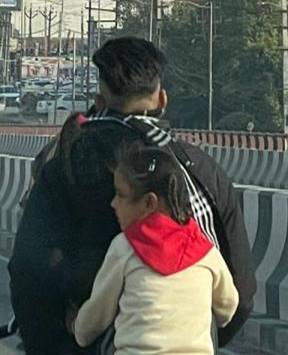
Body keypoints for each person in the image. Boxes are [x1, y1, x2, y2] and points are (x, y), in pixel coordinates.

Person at [9, 37, 255, 354]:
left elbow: (30, 271)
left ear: (100, 98)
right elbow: (240, 293)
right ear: (162, 99)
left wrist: (50, 344)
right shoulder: (197, 170)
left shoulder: (66, 166)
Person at [70, 143, 239, 354]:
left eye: (120, 195)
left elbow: (95, 318)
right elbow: (228, 306)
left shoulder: (124, 248)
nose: (113, 203)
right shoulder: (205, 250)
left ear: (149, 203)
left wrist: (77, 327)